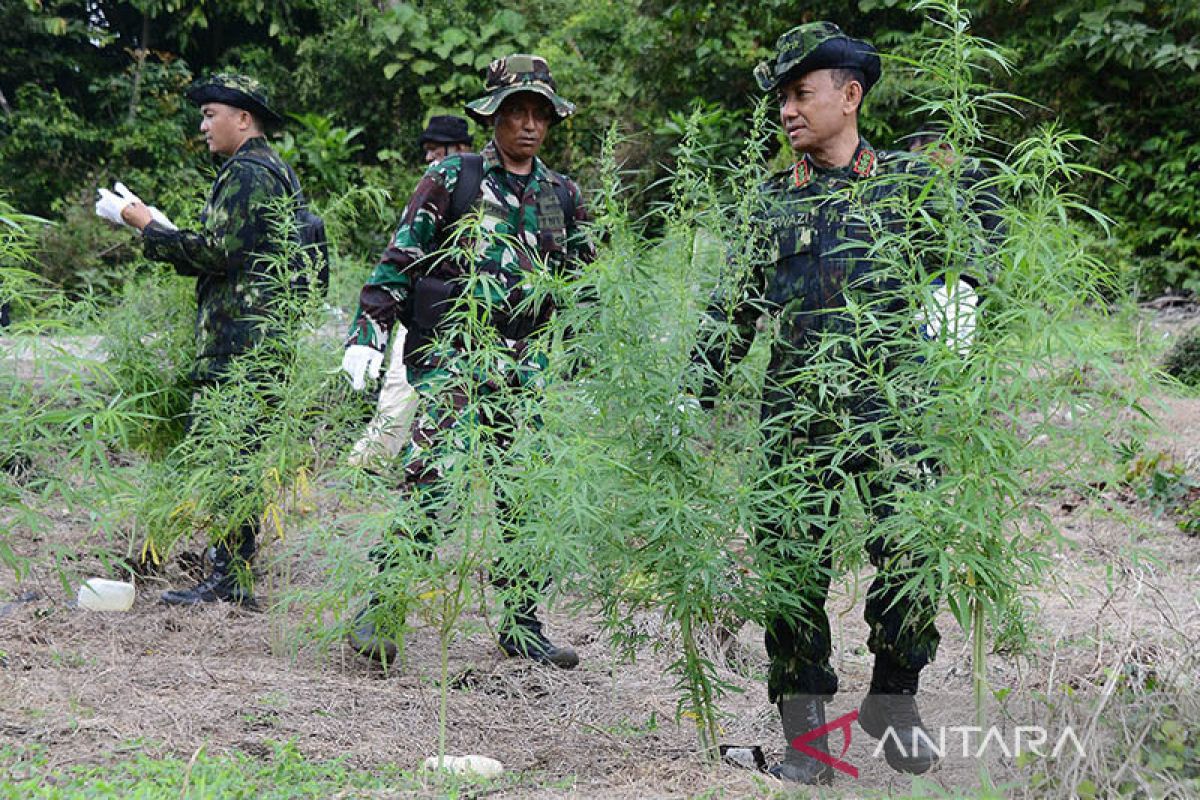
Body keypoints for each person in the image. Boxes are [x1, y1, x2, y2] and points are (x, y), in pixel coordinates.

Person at [699, 23, 988, 782]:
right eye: (783, 99)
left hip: (895, 411)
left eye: (801, 93)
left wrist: (960, 298)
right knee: (791, 577)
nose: (788, 110)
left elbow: (968, 253)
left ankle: (893, 699)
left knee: (914, 559)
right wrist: (691, 399)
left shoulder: (910, 189)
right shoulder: (766, 205)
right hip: (797, 416)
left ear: (848, 95)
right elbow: (729, 316)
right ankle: (808, 744)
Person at [340, 55, 594, 668]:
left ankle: (522, 623)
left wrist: (593, 358)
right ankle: (381, 609)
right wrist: (367, 333)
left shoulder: (562, 193)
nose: (529, 125)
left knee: (525, 496)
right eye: (516, 112)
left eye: (539, 114)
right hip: (459, 356)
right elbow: (399, 259)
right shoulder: (454, 178)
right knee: (433, 482)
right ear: (493, 116)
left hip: (527, 364)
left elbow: (584, 285)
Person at [98, 73, 307, 607]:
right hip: (257, 337)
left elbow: (219, 253)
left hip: (240, 343)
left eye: (211, 113)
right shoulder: (271, 171)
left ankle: (229, 576)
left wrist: (146, 226)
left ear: (244, 118)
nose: (203, 124)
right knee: (236, 452)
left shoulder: (248, 172)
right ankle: (229, 569)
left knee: (231, 454)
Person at [347, 116, 474, 468]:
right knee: (398, 394)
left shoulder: (477, 186)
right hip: (424, 316)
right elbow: (401, 254)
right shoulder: (440, 182)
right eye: (428, 150)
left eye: (437, 149)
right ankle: (368, 466)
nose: (431, 157)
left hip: (472, 325)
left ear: (461, 148)